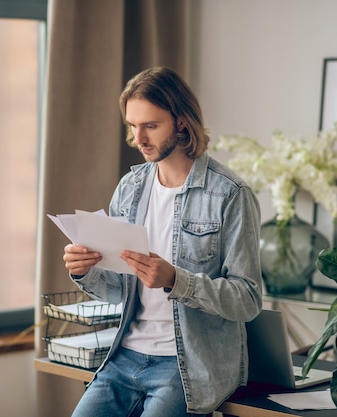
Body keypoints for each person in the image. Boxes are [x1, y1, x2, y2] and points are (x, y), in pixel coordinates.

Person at [63, 66, 262, 417]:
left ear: (182, 122)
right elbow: (119, 290)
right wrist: (86, 272)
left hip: (185, 368)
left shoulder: (230, 194)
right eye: (132, 126)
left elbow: (247, 299)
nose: (138, 138)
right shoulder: (130, 187)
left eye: (150, 126)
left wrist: (175, 280)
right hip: (124, 356)